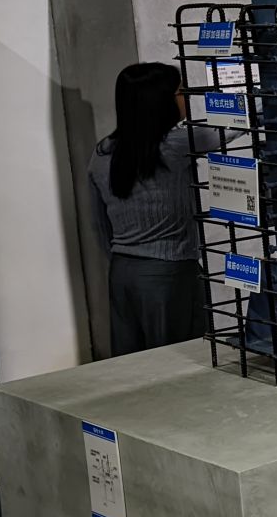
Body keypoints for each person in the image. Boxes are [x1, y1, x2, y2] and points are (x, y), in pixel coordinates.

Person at [88, 62, 212, 355]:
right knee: (180, 360)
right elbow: (233, 129)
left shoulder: (103, 152)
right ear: (161, 101)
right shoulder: (175, 146)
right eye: (181, 91)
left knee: (135, 363)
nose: (186, 97)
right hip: (168, 273)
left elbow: (99, 224)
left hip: (122, 272)